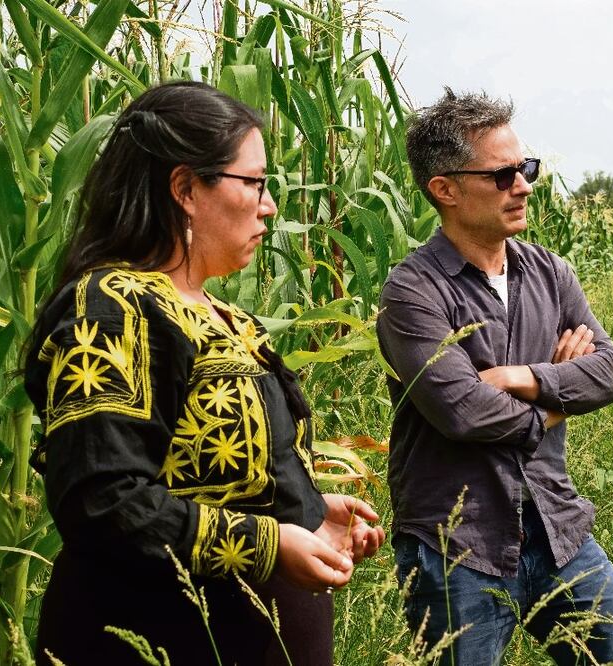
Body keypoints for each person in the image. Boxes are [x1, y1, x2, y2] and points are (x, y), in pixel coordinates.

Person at [24, 81, 385, 666]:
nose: (269, 205)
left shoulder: (227, 317)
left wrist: (312, 514)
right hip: (158, 637)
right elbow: (103, 501)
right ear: (186, 188)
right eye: (256, 183)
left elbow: (227, 478)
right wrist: (268, 545)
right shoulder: (116, 308)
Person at [376, 89, 613, 665]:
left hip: (559, 530)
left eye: (525, 168)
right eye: (503, 175)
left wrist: (522, 376)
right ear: (445, 190)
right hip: (456, 548)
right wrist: (555, 395)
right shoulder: (412, 292)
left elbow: (608, 372)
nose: (524, 185)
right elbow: (463, 412)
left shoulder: (551, 273)